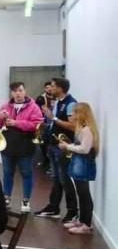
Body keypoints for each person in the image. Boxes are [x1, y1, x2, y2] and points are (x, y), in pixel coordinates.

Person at [0, 82, 43, 213]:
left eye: (20, 90)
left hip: (25, 145)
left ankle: (26, 200)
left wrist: (17, 123)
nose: (18, 93)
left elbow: (37, 124)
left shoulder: (33, 107)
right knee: (7, 173)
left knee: (26, 173)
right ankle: (6, 197)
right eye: (15, 91)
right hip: (7, 145)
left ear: (25, 91)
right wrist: (0, 117)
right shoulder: (5, 106)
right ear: (11, 93)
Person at [35, 77, 79, 223]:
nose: (50, 88)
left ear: (60, 88)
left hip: (63, 146)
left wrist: (52, 118)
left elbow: (73, 126)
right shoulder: (58, 102)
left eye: (53, 86)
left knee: (65, 179)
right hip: (53, 144)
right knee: (55, 178)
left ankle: (72, 211)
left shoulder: (70, 103)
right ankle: (53, 207)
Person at [59, 103, 99, 234]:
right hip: (80, 162)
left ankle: (86, 223)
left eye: (76, 113)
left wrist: (67, 147)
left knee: (84, 193)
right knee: (81, 193)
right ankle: (82, 220)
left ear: (82, 114)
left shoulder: (87, 129)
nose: (73, 115)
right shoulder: (82, 128)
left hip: (84, 163)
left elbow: (84, 149)